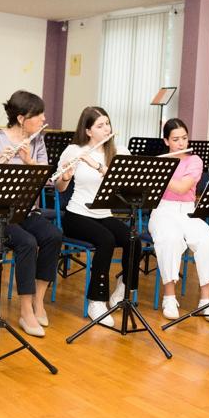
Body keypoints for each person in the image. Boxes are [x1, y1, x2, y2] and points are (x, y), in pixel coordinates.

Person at [0, 90, 61, 336]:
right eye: (38, 115)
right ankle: (25, 310)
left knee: (53, 236)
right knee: (26, 242)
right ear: (21, 118)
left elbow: (47, 178)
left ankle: (38, 301)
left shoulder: (37, 141)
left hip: (24, 211)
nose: (43, 119)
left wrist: (29, 161)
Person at [54, 106, 130, 327]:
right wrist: (65, 177)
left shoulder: (119, 151)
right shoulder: (74, 150)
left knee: (131, 239)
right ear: (88, 131)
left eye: (107, 123)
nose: (107, 129)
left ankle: (123, 285)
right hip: (77, 214)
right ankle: (96, 301)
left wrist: (97, 166)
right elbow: (59, 188)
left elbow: (121, 185)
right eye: (100, 125)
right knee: (106, 240)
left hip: (104, 213)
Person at [147, 118, 209, 320]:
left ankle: (206, 301)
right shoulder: (161, 160)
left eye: (184, 138)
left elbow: (181, 188)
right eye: (175, 139)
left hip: (188, 212)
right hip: (163, 211)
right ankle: (169, 298)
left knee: (208, 241)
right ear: (166, 141)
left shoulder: (194, 161)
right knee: (170, 239)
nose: (181, 143)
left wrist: (160, 171)